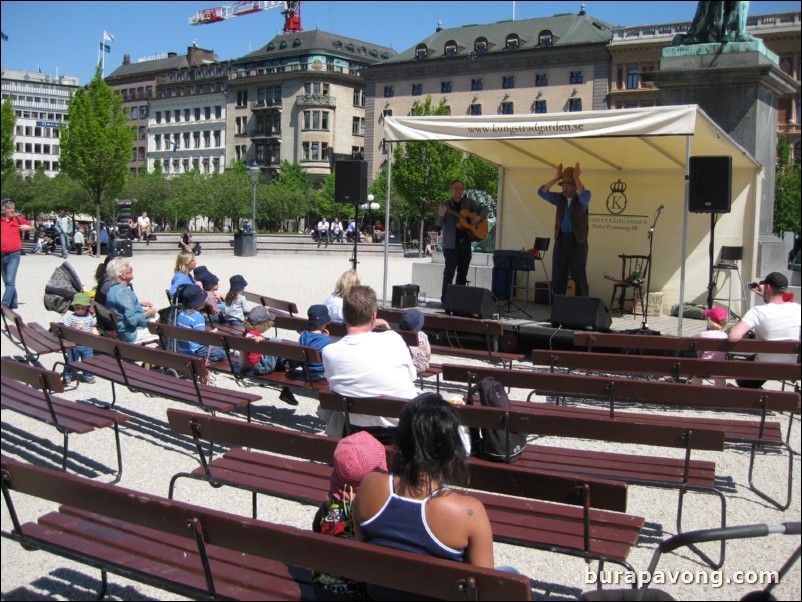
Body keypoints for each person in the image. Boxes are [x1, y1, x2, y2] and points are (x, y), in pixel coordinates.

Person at [353, 393, 494, 600]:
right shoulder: (468, 512)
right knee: (510, 573)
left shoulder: (370, 485)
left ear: (401, 439)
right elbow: (486, 589)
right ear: (450, 447)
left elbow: (362, 547)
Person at [322, 285, 418, 442]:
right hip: (401, 431)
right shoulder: (393, 339)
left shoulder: (329, 352)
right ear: (374, 316)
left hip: (359, 431)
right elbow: (411, 377)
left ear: (344, 316)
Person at [312, 431, 388, 600]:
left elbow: (316, 528)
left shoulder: (329, 506)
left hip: (323, 588)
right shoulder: (377, 510)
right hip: (359, 593)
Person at [729, 272, 801, 389]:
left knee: (750, 363)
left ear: (767, 287)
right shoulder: (797, 309)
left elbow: (734, 336)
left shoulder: (757, 312)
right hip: (790, 367)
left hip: (764, 367)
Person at [537, 163, 591, 297]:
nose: (564, 189)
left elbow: (584, 196)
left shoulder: (581, 199)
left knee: (578, 274)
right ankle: (558, 307)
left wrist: (576, 178)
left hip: (577, 241)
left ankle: (582, 308)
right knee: (558, 273)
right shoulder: (559, 198)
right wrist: (556, 178)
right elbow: (541, 192)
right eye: (563, 186)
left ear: (574, 187)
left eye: (567, 186)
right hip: (561, 239)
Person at [436, 180, 488, 304]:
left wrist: (478, 218)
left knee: (463, 273)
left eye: (460, 188)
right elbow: (438, 223)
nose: (458, 190)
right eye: (456, 188)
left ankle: (458, 301)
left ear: (463, 190)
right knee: (449, 273)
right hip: (450, 245)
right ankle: (446, 300)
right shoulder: (445, 205)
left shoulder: (468, 203)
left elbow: (485, 209)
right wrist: (441, 215)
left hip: (466, 243)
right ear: (451, 190)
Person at [105, 258, 159, 344]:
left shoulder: (112, 290)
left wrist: (139, 304)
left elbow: (121, 308)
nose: (131, 268)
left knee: (163, 323)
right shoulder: (124, 292)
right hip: (132, 334)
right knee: (167, 329)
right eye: (128, 269)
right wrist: (148, 313)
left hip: (122, 332)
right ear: (122, 275)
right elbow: (132, 320)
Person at [176, 284, 227, 364]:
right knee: (222, 354)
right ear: (198, 303)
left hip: (183, 348)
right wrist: (212, 334)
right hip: (196, 350)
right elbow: (202, 340)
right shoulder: (198, 317)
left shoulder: (181, 314)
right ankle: (202, 363)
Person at [1, 199, 34, 309]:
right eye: (9, 208)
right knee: (7, 281)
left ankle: (4, 304)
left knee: (10, 281)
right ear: (4, 210)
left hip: (14, 255)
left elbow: (33, 229)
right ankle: (14, 302)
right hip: (2, 255)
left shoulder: (18, 219)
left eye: (13, 208)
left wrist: (28, 227)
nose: (12, 210)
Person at [60, 292, 99, 385]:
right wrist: (65, 339)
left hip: (87, 344)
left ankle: (88, 375)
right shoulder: (71, 318)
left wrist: (96, 334)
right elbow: (65, 328)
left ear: (87, 308)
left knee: (88, 360)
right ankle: (68, 374)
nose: (80, 310)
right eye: (78, 308)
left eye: (83, 308)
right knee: (71, 360)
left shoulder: (89, 317)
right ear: (74, 308)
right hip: (74, 344)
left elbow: (93, 327)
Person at [692, 306, 728, 387]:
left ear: (709, 321)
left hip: (704, 364)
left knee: (696, 376)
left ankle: (696, 389)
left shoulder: (703, 334)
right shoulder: (725, 336)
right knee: (721, 379)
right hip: (720, 366)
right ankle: (720, 391)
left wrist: (699, 357)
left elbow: (699, 352)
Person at [399, 308, 431, 376]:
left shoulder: (400, 336)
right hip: (421, 366)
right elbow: (428, 352)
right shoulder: (422, 335)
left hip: (404, 366)